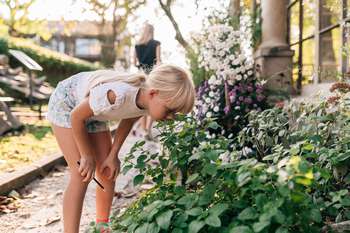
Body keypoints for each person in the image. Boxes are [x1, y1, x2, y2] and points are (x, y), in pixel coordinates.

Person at [46, 64, 195, 233]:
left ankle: (102, 227)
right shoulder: (117, 94)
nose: (170, 118)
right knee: (81, 175)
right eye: (169, 111)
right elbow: (76, 117)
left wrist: (113, 154)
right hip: (67, 105)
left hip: (93, 113)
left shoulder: (147, 102)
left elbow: (129, 119)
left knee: (107, 171)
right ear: (153, 93)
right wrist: (86, 155)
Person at [134, 23, 161, 140]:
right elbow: (158, 61)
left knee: (141, 103)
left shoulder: (137, 45)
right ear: (152, 31)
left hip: (140, 75)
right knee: (152, 102)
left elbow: (134, 62)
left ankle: (144, 130)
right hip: (151, 75)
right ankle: (148, 130)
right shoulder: (156, 44)